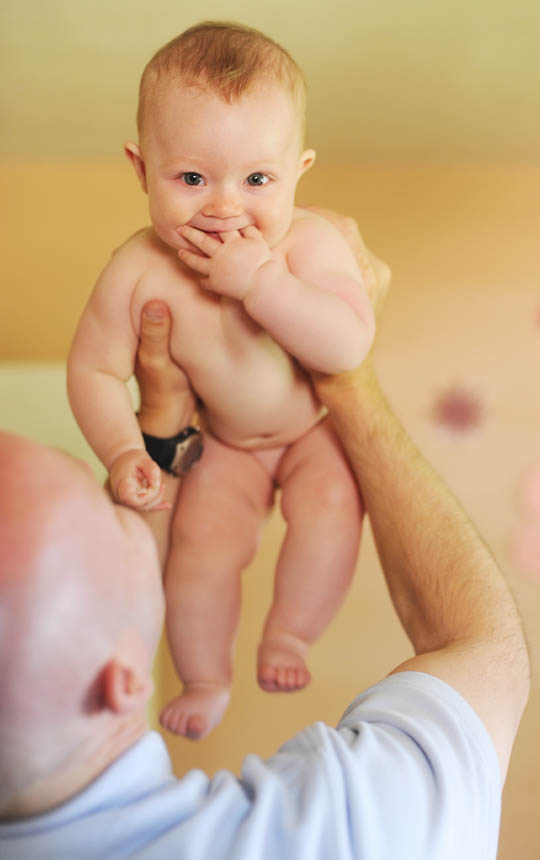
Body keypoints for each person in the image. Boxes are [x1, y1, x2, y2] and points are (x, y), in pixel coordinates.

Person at [0, 216, 528, 860]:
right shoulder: (345, 831)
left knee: (315, 517)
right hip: (255, 441)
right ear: (124, 679)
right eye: (107, 512)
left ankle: (288, 629)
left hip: (283, 440)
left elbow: (145, 540)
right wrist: (346, 377)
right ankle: (235, 662)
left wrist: (157, 430)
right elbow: (480, 648)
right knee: (206, 555)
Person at [67, 21, 375, 740]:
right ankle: (205, 677)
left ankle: (290, 634)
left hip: (310, 435)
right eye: (192, 178)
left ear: (298, 171)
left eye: (257, 179)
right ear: (141, 169)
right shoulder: (139, 267)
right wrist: (123, 452)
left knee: (334, 509)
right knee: (201, 554)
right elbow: (93, 368)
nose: (224, 206)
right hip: (226, 448)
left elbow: (348, 341)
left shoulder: (307, 241)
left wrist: (262, 284)